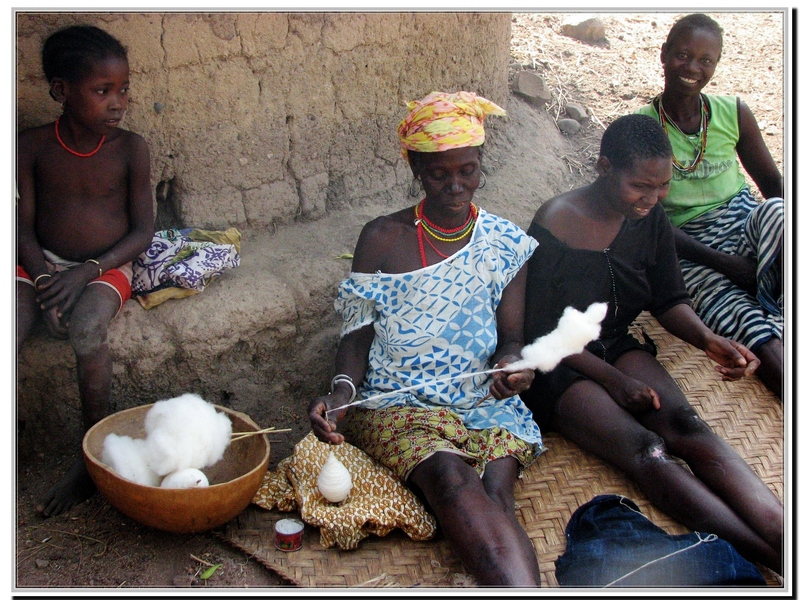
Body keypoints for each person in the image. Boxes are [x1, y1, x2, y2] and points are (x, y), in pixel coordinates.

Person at [521, 114, 783, 575]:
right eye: (641, 186)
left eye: (662, 187)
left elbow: (668, 298)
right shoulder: (555, 223)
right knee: (648, 450)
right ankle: (770, 556)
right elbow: (540, 332)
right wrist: (616, 381)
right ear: (604, 167)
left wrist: (707, 339)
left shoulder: (650, 216)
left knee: (688, 425)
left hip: (617, 340)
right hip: (561, 362)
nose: (652, 198)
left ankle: (784, 533)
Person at [309, 91, 544, 586]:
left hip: (481, 401)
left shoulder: (505, 243)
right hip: (400, 404)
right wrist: (341, 394)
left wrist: (511, 368)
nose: (455, 186)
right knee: (454, 484)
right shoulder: (382, 239)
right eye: (439, 174)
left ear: (481, 166)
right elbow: (356, 339)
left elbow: (512, 341)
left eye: (468, 170)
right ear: (416, 170)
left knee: (497, 495)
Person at [17, 25, 154, 517]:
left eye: (123, 90)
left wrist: (84, 274)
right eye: (102, 91)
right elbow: (22, 229)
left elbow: (142, 233)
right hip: (37, 265)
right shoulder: (31, 147)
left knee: (87, 330)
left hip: (105, 266)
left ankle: (90, 456)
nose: (117, 103)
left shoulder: (131, 149)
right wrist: (43, 282)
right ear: (61, 91)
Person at [635, 13, 784, 400]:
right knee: (744, 323)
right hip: (687, 245)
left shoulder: (733, 112)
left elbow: (773, 186)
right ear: (664, 55)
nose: (693, 68)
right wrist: (729, 265)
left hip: (745, 221)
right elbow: (649, 220)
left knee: (780, 214)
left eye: (705, 60)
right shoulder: (642, 128)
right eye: (683, 55)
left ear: (716, 65)